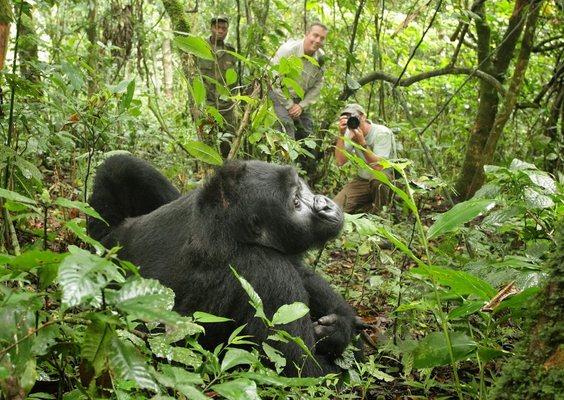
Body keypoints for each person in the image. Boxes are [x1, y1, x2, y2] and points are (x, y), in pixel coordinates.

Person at [333, 103, 397, 213]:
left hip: (385, 178)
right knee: (335, 209)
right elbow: (340, 162)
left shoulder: (382, 132)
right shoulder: (349, 133)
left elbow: (379, 166)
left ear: (363, 117)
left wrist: (362, 143)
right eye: (347, 117)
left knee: (378, 181)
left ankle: (381, 213)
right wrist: (341, 134)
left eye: (353, 116)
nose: (351, 120)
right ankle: (367, 204)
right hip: (362, 179)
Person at [269, 22, 328, 140]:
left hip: (300, 101)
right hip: (279, 96)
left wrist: (301, 106)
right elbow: (275, 80)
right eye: (315, 35)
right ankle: (281, 158)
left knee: (308, 135)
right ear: (306, 34)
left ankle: (302, 159)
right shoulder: (288, 50)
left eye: (322, 38)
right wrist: (290, 105)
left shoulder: (321, 57)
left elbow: (318, 85)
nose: (317, 40)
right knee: (287, 132)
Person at [197, 16, 237, 157]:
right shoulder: (200, 48)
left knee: (227, 145)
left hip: (226, 107)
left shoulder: (231, 52)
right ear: (211, 28)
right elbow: (194, 78)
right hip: (207, 105)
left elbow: (234, 82)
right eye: (217, 27)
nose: (220, 31)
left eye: (223, 28)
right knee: (207, 144)